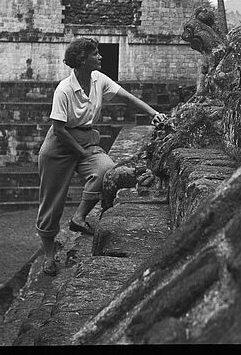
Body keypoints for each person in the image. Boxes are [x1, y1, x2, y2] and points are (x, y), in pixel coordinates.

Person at [36, 37, 167, 275]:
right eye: (95, 53)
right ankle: (48, 256)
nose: (101, 56)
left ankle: (79, 217)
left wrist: (154, 113)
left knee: (107, 170)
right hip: (59, 145)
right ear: (82, 60)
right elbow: (58, 129)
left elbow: (127, 97)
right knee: (51, 201)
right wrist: (81, 152)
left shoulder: (99, 80)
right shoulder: (64, 89)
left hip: (86, 138)